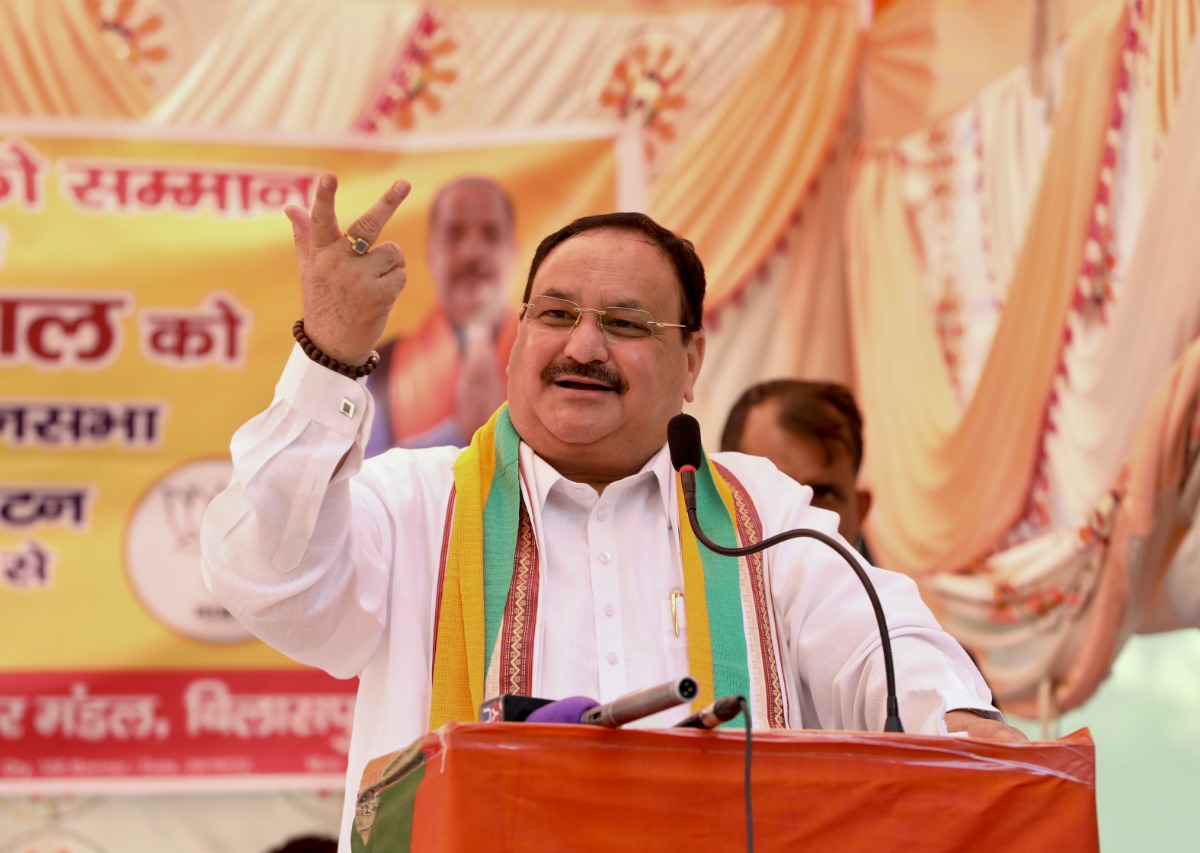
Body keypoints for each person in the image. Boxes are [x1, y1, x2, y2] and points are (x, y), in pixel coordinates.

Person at [201, 175, 1025, 850]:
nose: (583, 346)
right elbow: (266, 579)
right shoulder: (418, 503)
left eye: (626, 323)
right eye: (556, 314)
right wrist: (328, 355)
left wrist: (956, 715)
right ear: (519, 336)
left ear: (691, 360)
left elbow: (884, 639)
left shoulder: (756, 512)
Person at [365, 175, 518, 454]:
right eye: (454, 235)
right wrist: (458, 434)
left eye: (491, 234)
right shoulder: (377, 369)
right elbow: (356, 480)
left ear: (514, 251)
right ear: (431, 253)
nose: (472, 252)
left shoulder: (551, 359)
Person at [721, 379, 872, 551]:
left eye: (824, 494)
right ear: (720, 505)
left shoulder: (894, 579)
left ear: (860, 510)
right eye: (774, 493)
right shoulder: (686, 574)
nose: (800, 520)